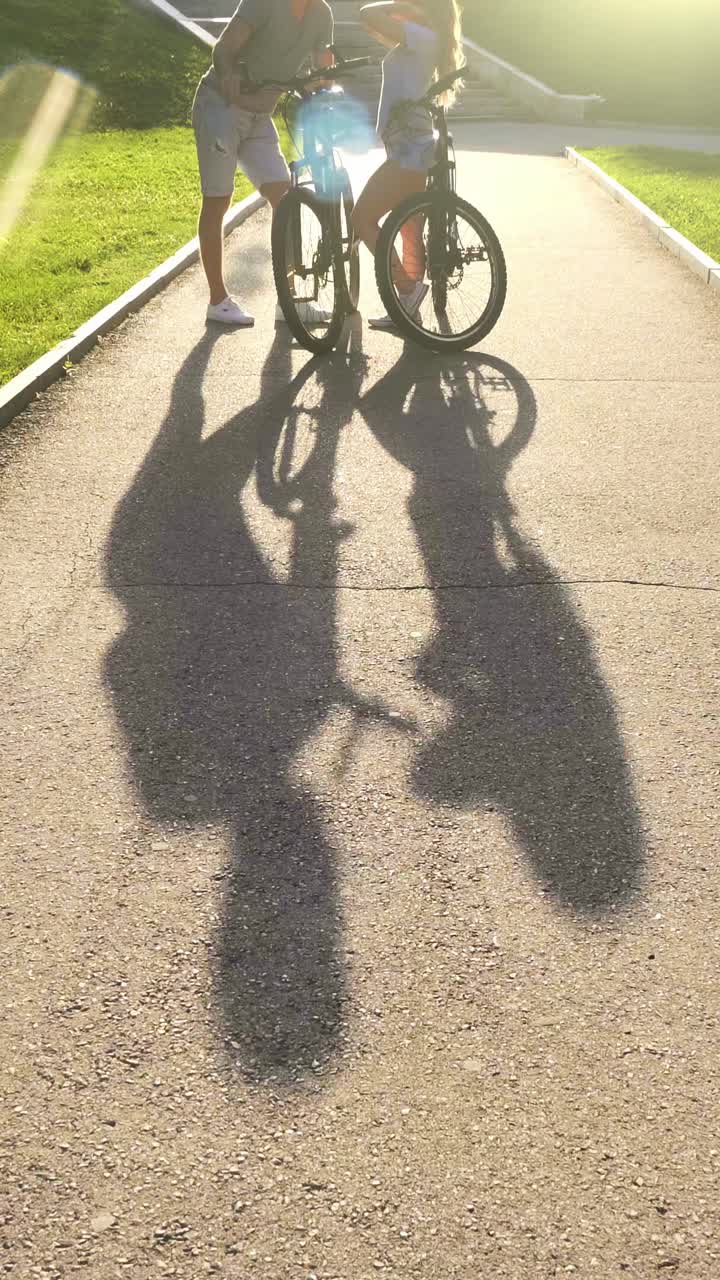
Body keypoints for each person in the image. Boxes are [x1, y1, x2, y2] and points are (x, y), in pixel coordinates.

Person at [192, 0, 334, 327]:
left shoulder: (321, 14)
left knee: (285, 199)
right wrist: (228, 73)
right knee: (217, 200)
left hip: (260, 116)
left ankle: (288, 303)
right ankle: (218, 301)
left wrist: (325, 81)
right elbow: (223, 49)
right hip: (221, 107)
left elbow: (322, 67)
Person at [351, 0, 464, 329]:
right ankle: (407, 309)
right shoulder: (422, 37)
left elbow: (365, 14)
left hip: (408, 150)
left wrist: (403, 5)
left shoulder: (419, 35)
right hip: (410, 147)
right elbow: (372, 26)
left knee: (361, 219)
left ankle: (406, 288)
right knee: (409, 228)